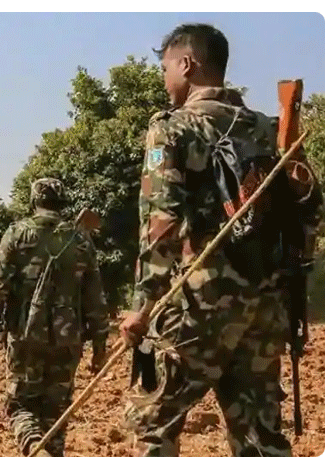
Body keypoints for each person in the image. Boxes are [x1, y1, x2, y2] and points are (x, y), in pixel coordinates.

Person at [120, 24, 323, 457]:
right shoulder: (269, 129)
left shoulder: (171, 129)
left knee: (153, 424)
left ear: (186, 64)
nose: (165, 79)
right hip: (264, 308)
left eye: (165, 68)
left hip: (201, 305)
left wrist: (143, 304)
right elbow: (308, 212)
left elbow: (161, 223)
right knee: (260, 439)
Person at [0, 178, 108, 456]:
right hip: (67, 340)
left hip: (25, 337)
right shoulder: (80, 240)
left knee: (20, 405)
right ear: (61, 203)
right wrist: (99, 345)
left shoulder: (16, 234)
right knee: (56, 410)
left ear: (34, 200)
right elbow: (95, 298)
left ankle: (34, 446)